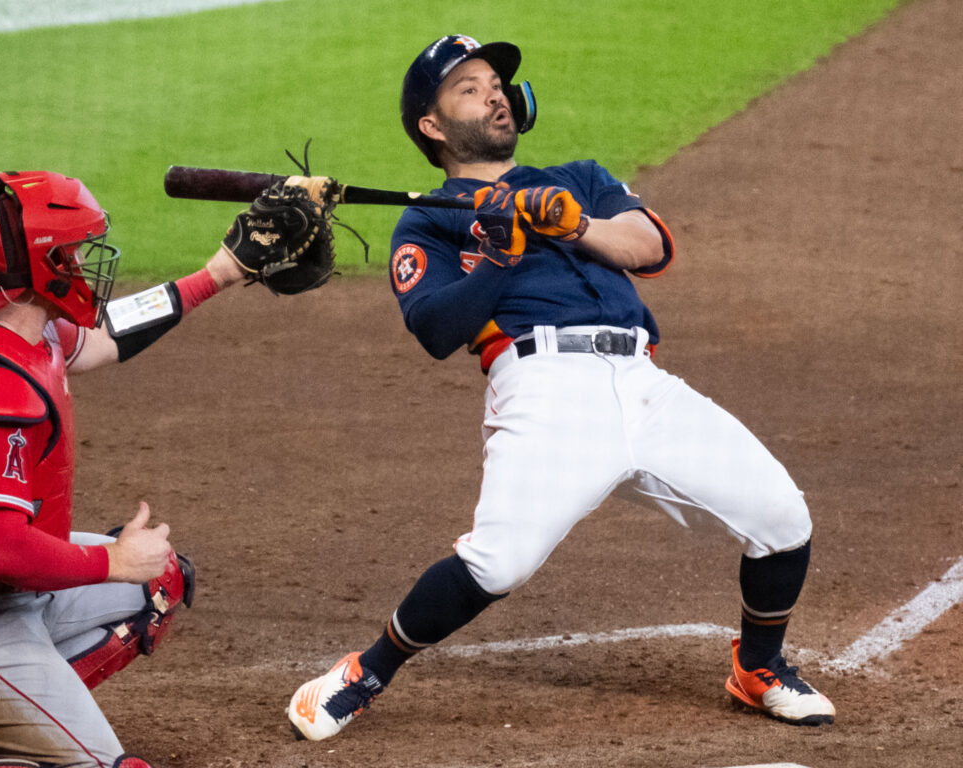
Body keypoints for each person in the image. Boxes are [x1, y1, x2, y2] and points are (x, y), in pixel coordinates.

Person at [287, 34, 836, 741]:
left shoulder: (578, 177)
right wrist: (496, 258)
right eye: (468, 87)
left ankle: (758, 668)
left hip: (642, 382)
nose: (492, 93)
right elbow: (433, 327)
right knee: (498, 562)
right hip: (544, 389)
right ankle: (363, 672)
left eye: (495, 82)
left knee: (784, 519)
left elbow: (653, 247)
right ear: (432, 125)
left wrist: (574, 223)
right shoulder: (428, 219)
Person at [0, 169, 257, 768]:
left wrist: (218, 275)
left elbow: (105, 335)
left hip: (3, 594)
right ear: (41, 264)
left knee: (158, 578)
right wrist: (110, 560)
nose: (86, 263)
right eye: (75, 251)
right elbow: (1, 552)